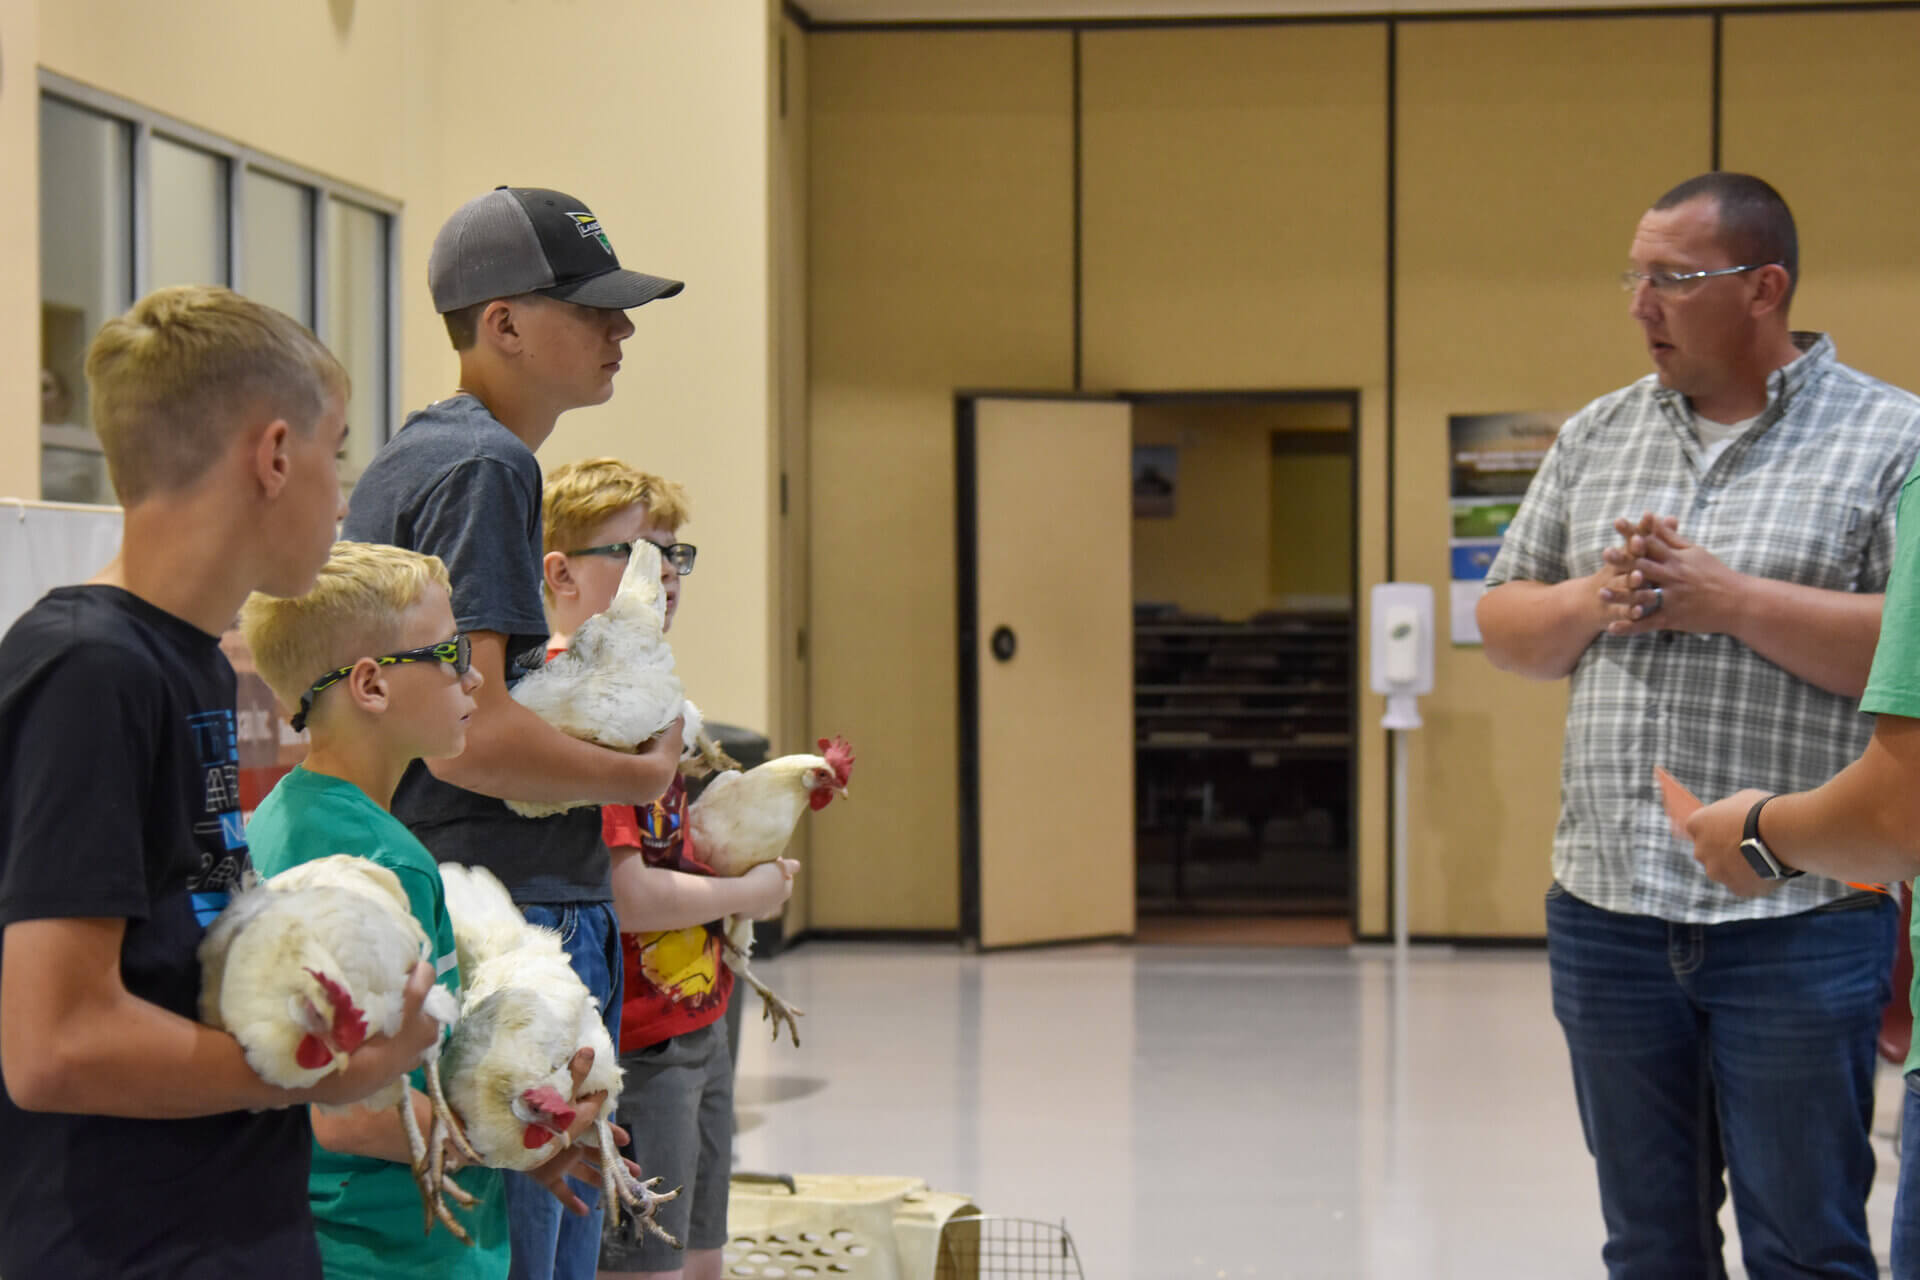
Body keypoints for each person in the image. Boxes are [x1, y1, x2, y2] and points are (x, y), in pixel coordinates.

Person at [1476, 172, 1920, 1279]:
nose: (1640, 304)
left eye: (1672, 278)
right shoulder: (1598, 432)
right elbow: (1504, 621)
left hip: (1801, 913)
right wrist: (1597, 598)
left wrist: (1733, 601)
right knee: (1649, 1243)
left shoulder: (1891, 435)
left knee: (1804, 1243)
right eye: (1635, 275)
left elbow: (1910, 652)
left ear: (1764, 287)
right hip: (1608, 909)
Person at [0, 286, 444, 1278]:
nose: (342, 491)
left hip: (230, 1218)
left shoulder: (192, 659)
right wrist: (336, 1067)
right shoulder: (87, 669)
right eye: (337, 452)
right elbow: (54, 1041)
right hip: (126, 1241)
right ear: (275, 455)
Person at [342, 186, 686, 1280]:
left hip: (470, 893)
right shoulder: (489, 465)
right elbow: (472, 736)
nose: (620, 330)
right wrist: (639, 771)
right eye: (591, 308)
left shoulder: (419, 455)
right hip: (519, 903)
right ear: (501, 324)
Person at [242, 540, 633, 1278]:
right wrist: (522, 1139)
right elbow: (350, 1112)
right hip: (387, 1247)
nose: (474, 674)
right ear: (372, 687)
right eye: (449, 653)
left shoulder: (289, 817)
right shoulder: (377, 862)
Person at [537, 459, 795, 1280]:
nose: (664, 577)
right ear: (561, 571)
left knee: (701, 1253)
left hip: (695, 1015)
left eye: (673, 556)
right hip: (636, 1040)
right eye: (634, 554)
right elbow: (624, 893)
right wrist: (746, 894)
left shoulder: (651, 689)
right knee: (641, 1265)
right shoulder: (582, 703)